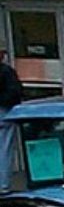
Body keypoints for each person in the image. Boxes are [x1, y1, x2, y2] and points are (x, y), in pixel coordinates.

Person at [0, 50, 22, 195]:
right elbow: (15, 92)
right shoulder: (6, 71)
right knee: (4, 149)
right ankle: (3, 185)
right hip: (3, 112)